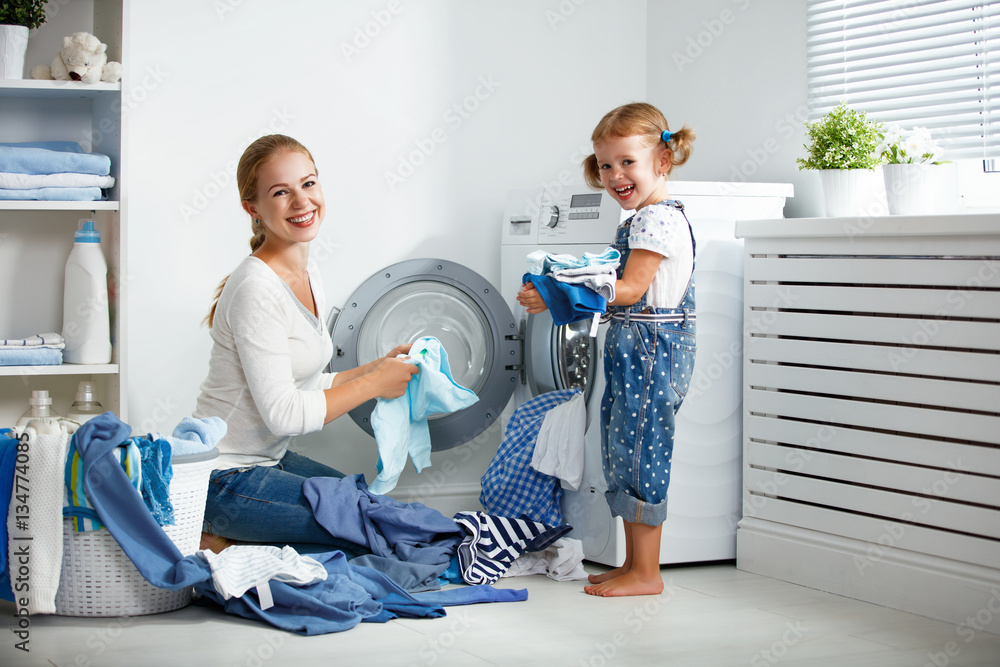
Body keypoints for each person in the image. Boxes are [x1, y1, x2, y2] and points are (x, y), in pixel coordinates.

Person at [195, 134, 418, 554]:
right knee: (377, 531)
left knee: (378, 513)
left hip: (267, 462)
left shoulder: (307, 271)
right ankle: (219, 541)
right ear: (253, 208)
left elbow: (303, 385)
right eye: (281, 192)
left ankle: (238, 544)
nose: (302, 202)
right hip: (222, 479)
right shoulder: (256, 288)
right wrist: (373, 386)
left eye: (309, 184)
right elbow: (285, 414)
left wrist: (374, 370)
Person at [517, 102, 696, 596]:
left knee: (642, 455)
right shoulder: (639, 219)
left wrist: (558, 292)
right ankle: (634, 564)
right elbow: (612, 292)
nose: (615, 174)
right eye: (605, 164)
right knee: (623, 452)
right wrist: (555, 295)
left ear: (663, 162)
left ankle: (647, 573)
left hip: (654, 349)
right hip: (632, 347)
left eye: (627, 162)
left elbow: (632, 289)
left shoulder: (657, 221)